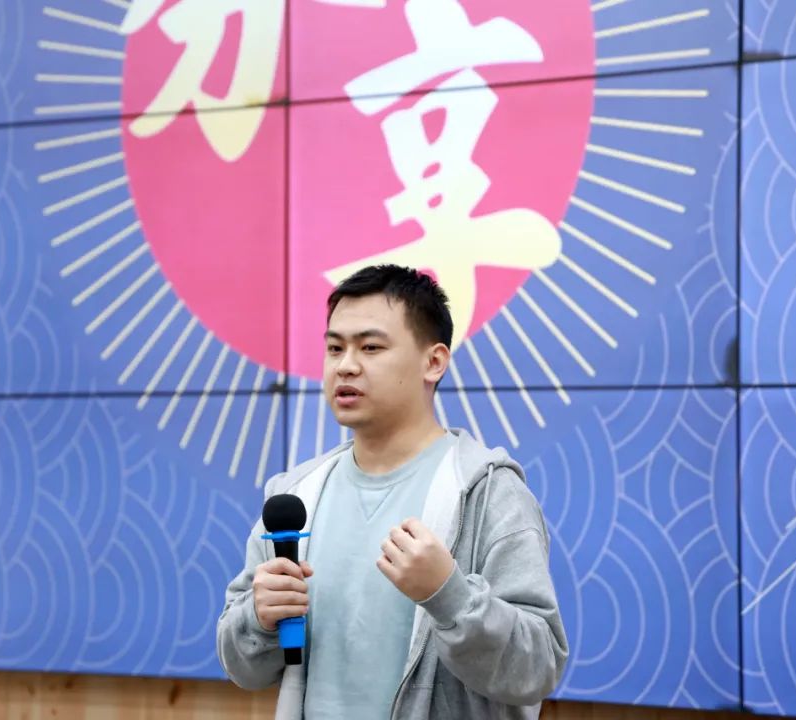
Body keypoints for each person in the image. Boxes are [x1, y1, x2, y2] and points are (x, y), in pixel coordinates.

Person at [216, 264, 569, 719]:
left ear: (434, 362)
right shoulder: (295, 494)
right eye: (335, 348)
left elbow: (538, 667)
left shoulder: (488, 492)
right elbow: (242, 668)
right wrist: (257, 618)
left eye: (371, 347)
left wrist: (449, 595)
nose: (346, 365)